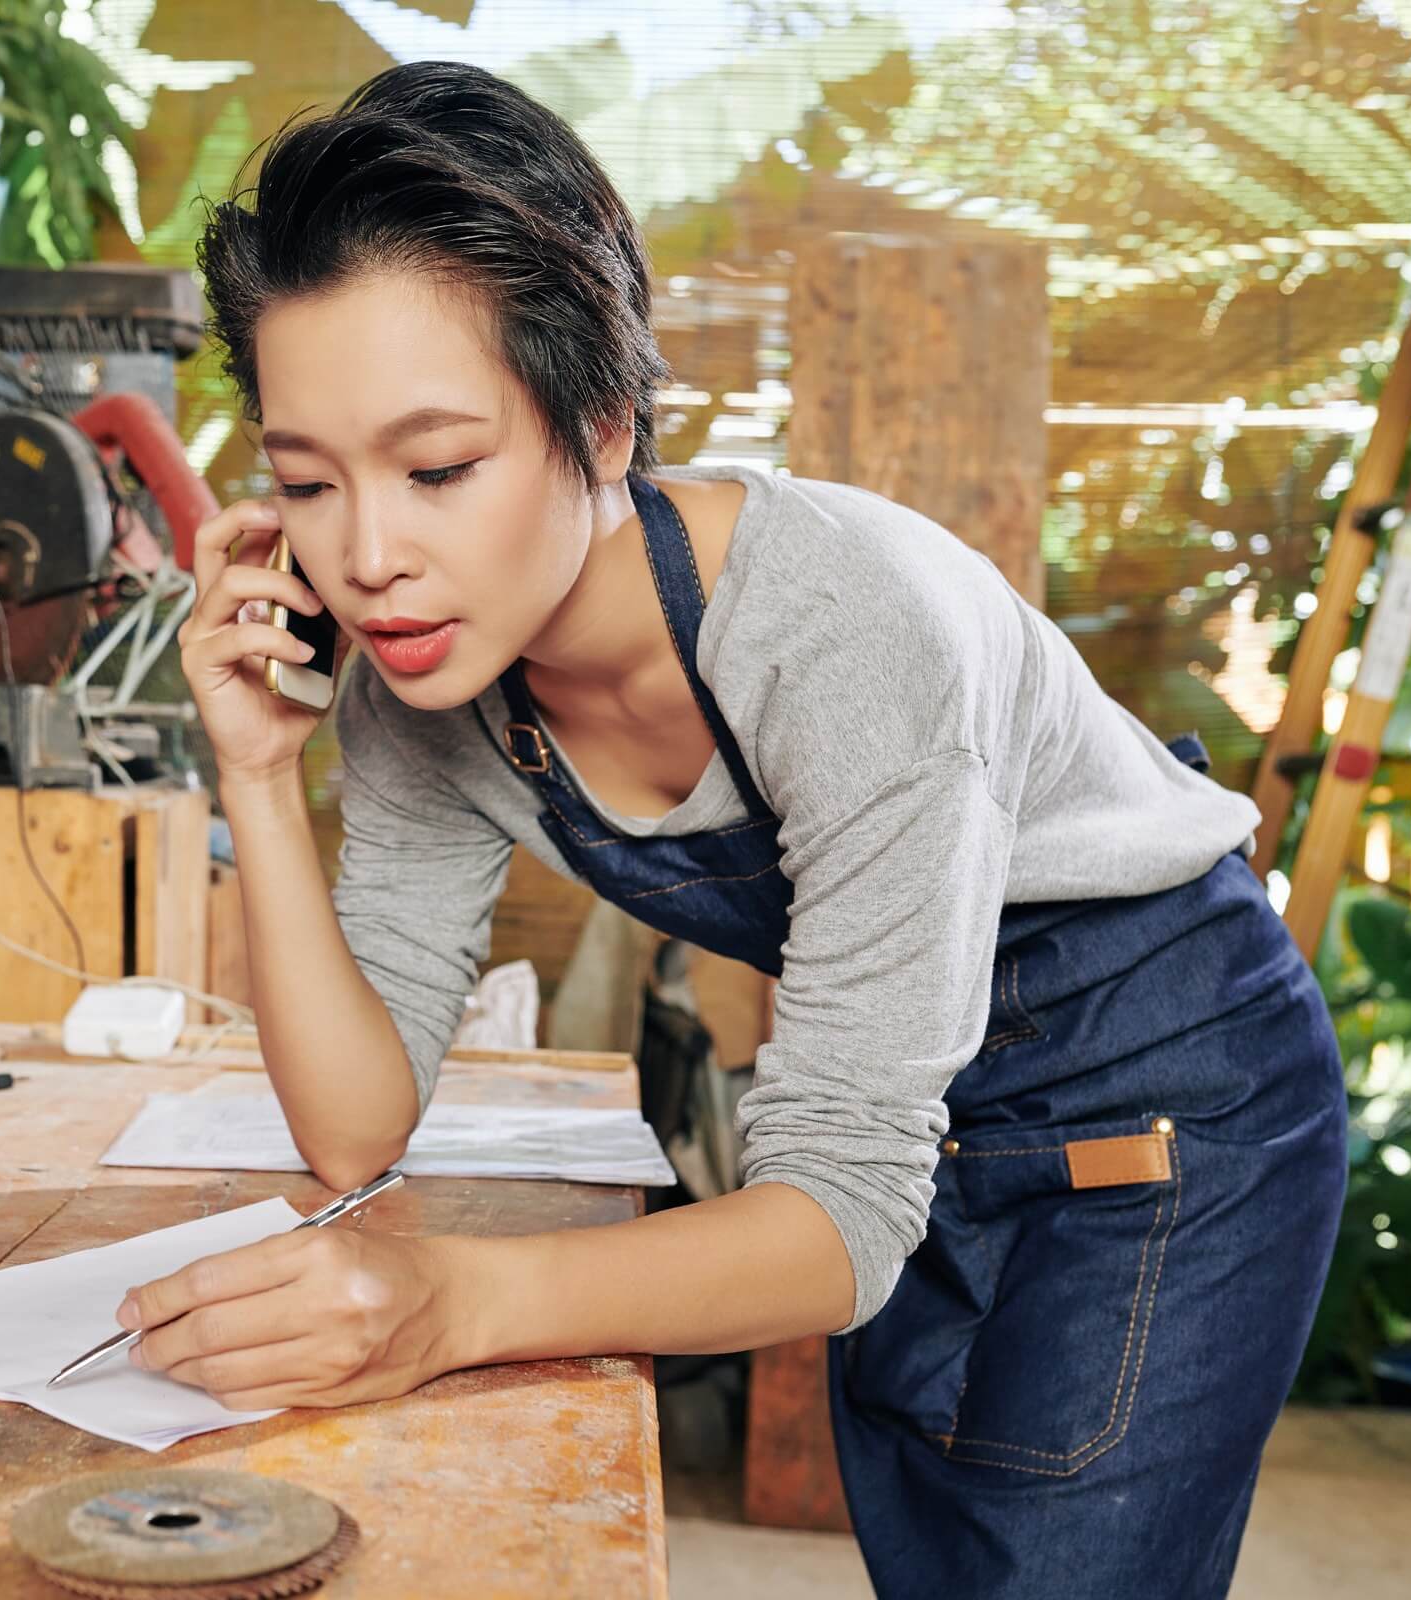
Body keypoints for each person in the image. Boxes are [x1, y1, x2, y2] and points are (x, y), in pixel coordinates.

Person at [122, 60, 1348, 1600]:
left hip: (1165, 1092)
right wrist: (253, 774)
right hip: (926, 1105)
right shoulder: (423, 690)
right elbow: (358, 1130)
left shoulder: (853, 634)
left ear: (605, 424)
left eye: (438, 469)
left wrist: (447, 1302)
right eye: (308, 482)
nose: (368, 556)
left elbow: (838, 1223)